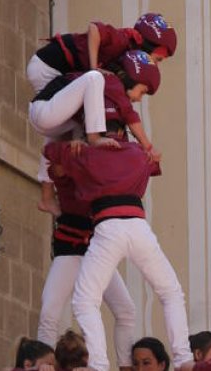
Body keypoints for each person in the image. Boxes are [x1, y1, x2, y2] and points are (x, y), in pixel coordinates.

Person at [46, 134, 188, 370]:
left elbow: (50, 153)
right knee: (171, 292)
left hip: (108, 225)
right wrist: (144, 146)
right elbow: (154, 160)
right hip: (138, 225)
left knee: (84, 301)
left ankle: (100, 365)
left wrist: (79, 145)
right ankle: (183, 358)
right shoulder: (135, 152)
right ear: (122, 132)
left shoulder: (87, 154)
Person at [38, 126, 138, 370]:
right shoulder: (71, 162)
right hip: (72, 247)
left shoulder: (108, 169)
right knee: (50, 311)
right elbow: (51, 155)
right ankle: (43, 365)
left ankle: (124, 366)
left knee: (126, 310)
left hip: (95, 250)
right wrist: (75, 152)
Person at [34, 50, 161, 215]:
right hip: (44, 110)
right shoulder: (112, 83)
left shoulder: (110, 94)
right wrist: (148, 147)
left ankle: (47, 197)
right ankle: (94, 138)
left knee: (64, 143)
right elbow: (131, 116)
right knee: (94, 77)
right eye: (142, 91)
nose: (138, 98)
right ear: (131, 79)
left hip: (57, 118)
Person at [26, 13, 177, 94]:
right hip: (47, 67)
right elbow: (94, 29)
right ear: (147, 47)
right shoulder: (122, 39)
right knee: (75, 121)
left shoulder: (127, 51)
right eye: (157, 59)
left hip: (53, 69)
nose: (155, 64)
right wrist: (93, 69)